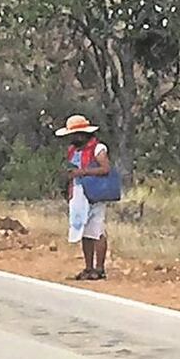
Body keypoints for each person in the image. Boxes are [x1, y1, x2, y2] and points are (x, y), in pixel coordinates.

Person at [56, 114, 112, 280]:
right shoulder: (73, 151)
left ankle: (99, 269)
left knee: (97, 230)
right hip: (79, 193)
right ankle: (89, 268)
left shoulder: (98, 149)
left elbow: (105, 169)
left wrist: (82, 172)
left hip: (95, 192)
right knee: (85, 231)